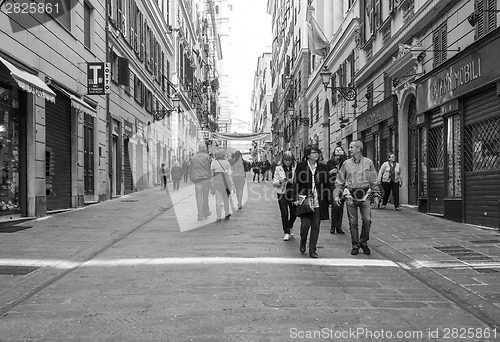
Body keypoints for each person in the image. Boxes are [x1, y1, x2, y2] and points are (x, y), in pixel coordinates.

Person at [334, 140, 379, 256]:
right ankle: (355, 244)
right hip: (351, 195)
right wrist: (336, 195)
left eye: (351, 147)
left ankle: (363, 241)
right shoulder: (346, 164)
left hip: (365, 196)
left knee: (367, 220)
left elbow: (374, 180)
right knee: (353, 222)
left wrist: (376, 195)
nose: (349, 149)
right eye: (349, 147)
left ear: (358, 149)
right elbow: (339, 181)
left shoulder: (368, 163)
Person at [293, 145, 331, 258]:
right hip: (305, 200)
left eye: (317, 152)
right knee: (305, 225)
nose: (317, 154)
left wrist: (329, 200)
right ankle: (303, 242)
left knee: (316, 226)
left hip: (318, 201)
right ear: (308, 155)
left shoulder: (322, 167)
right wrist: (295, 198)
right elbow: (296, 183)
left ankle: (312, 250)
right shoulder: (301, 166)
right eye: (314, 152)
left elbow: (327, 184)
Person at [273, 151, 297, 241]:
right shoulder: (278, 168)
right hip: (282, 193)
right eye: (286, 160)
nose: (288, 162)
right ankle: (286, 232)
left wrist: (293, 181)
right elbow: (274, 183)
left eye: (289, 160)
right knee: (284, 213)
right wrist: (281, 181)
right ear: (283, 160)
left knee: (294, 213)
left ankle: (290, 226)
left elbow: (300, 179)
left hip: (293, 192)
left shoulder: (295, 167)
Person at [326, 146, 348, 234]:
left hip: (343, 186)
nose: (338, 151)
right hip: (333, 186)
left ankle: (339, 227)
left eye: (340, 150)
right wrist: (330, 172)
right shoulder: (330, 163)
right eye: (337, 149)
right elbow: (324, 174)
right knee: (335, 206)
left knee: (341, 207)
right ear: (334, 152)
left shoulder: (345, 163)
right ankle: (333, 227)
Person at [190, 144, 212, 221]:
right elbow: (210, 167)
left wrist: (192, 178)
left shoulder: (193, 158)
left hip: (197, 179)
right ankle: (206, 212)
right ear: (204, 149)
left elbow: (191, 168)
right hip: (206, 178)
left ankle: (200, 214)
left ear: (198, 149)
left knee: (198, 197)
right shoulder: (207, 157)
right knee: (205, 195)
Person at [211, 149, 232, 222]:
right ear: (223, 155)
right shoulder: (227, 162)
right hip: (225, 181)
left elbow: (212, 174)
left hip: (217, 181)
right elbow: (229, 174)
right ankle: (227, 213)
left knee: (218, 200)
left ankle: (218, 216)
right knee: (226, 198)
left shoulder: (214, 163)